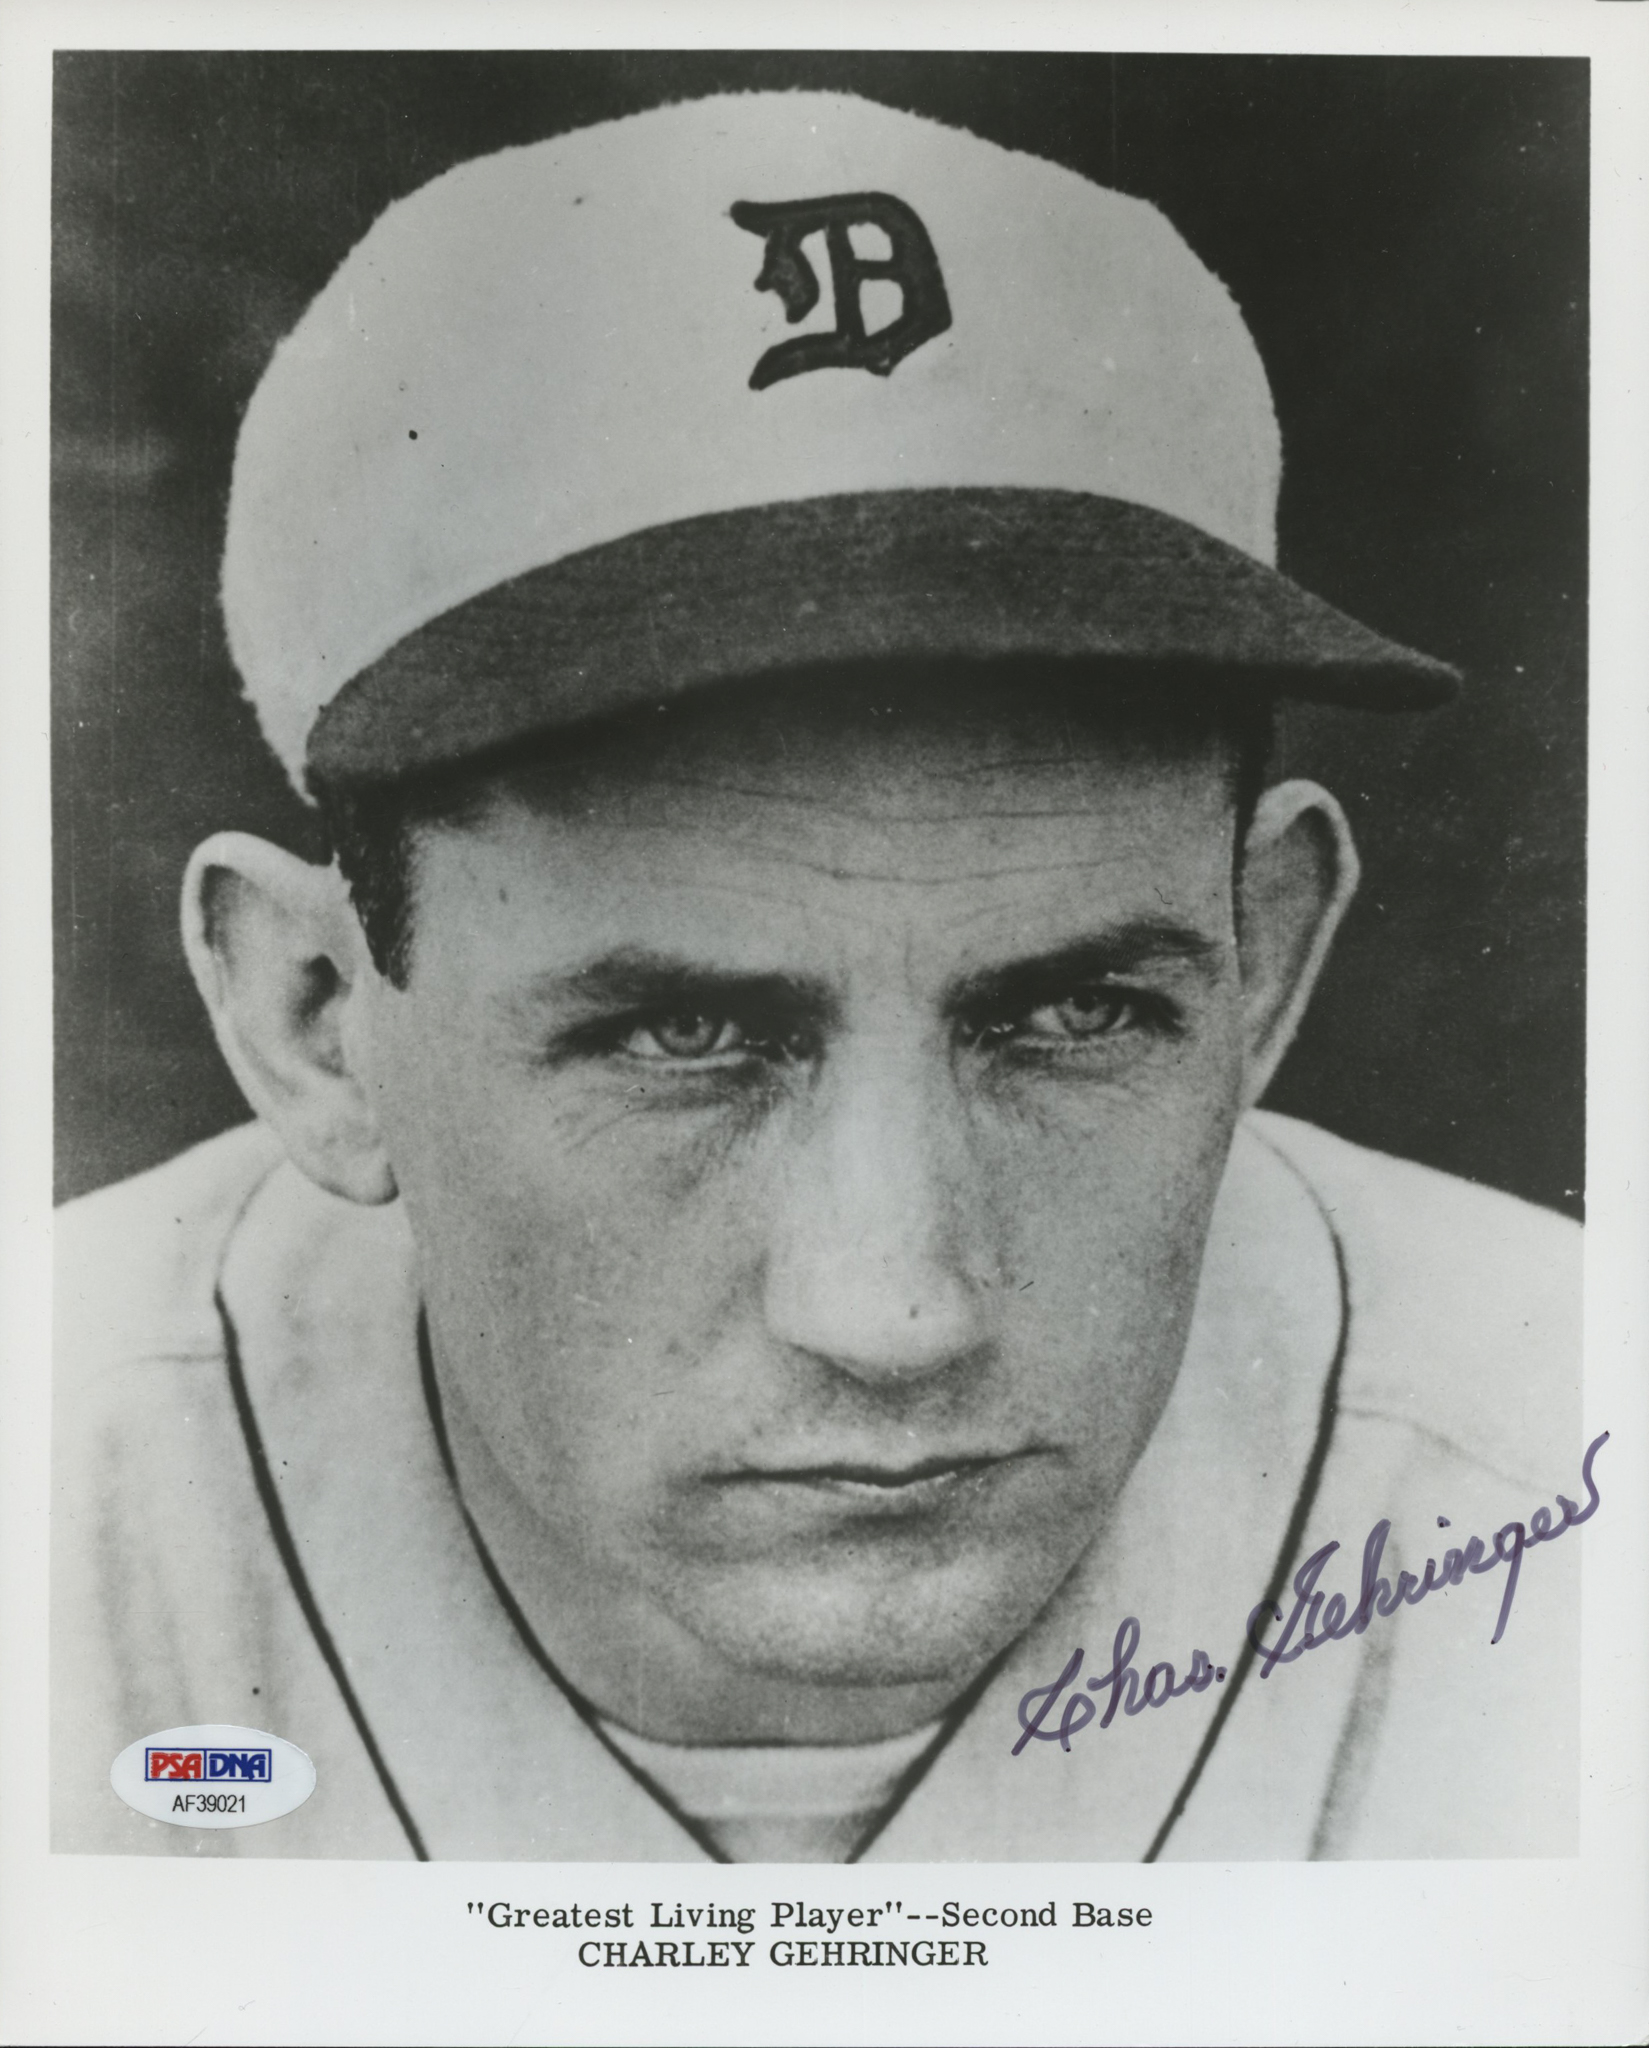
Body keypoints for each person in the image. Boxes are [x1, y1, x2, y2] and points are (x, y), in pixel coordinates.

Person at [53, 89, 1583, 1865]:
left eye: (1075, 1015)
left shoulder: (1572, 1477)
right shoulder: (60, 1519)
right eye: (685, 1033)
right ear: (317, 1025)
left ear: (1263, 961)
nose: (896, 1311)